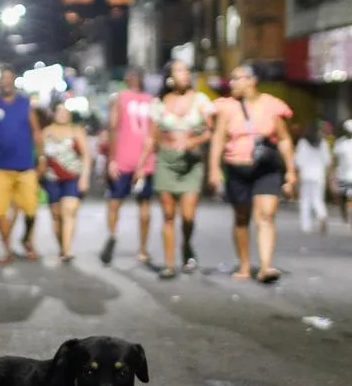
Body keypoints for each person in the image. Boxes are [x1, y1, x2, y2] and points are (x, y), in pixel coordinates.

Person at [208, 63, 295, 284]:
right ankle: (245, 264)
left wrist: (291, 171)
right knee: (241, 218)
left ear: (251, 80)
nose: (232, 83)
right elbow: (217, 140)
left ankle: (266, 266)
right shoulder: (226, 107)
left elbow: (284, 139)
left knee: (265, 216)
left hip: (266, 168)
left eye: (237, 79)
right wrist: (214, 169)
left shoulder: (272, 106)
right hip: (237, 168)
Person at [136, 59, 214, 280]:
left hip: (191, 163)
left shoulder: (201, 100)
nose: (185, 74)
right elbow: (151, 137)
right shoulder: (160, 102)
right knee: (168, 215)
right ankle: (169, 264)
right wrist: (141, 166)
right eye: (179, 70)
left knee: (188, 216)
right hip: (166, 162)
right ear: (170, 76)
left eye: (187, 70)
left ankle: (187, 244)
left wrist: (193, 142)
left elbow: (211, 131)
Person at [0, 67, 42, 265]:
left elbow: (36, 131)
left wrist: (42, 157)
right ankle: (7, 249)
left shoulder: (25, 103)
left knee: (31, 210)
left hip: (25, 167)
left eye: (8, 78)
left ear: (13, 81)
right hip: (1, 167)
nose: (5, 82)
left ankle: (26, 239)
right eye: (2, 79)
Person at [100, 68, 155, 266]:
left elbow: (113, 128)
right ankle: (139, 248)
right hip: (137, 160)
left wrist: (111, 159)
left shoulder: (121, 98)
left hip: (130, 159)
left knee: (119, 202)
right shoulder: (148, 100)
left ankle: (116, 236)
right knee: (140, 203)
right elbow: (150, 135)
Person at [41, 102, 92, 262]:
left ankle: (67, 249)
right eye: (60, 111)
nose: (63, 114)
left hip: (72, 177)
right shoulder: (46, 132)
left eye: (66, 112)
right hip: (52, 179)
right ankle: (62, 246)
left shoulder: (76, 131)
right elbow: (41, 156)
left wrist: (84, 177)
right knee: (56, 215)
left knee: (69, 210)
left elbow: (86, 156)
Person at [293, 122, 330, 234]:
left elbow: (298, 161)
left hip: (306, 174)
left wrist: (296, 175)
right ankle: (321, 214)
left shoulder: (303, 143)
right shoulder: (323, 144)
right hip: (319, 175)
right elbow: (327, 161)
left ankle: (306, 226)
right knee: (318, 198)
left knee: (305, 200)